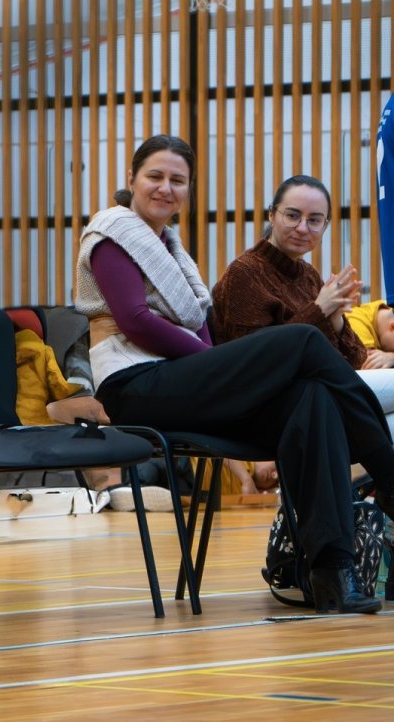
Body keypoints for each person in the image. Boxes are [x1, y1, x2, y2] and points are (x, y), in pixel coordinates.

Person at [74, 134, 394, 614]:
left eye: (177, 180)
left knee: (314, 399)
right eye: (155, 176)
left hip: (184, 385)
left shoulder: (174, 252)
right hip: (136, 386)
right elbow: (136, 320)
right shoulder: (112, 234)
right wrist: (208, 359)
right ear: (131, 180)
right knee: (304, 341)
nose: (166, 188)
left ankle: (331, 572)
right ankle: (389, 475)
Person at [211, 174, 394, 434]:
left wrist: (337, 322)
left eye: (314, 220)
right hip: (269, 404)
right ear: (272, 215)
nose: (303, 227)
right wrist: (319, 310)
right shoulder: (244, 273)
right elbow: (255, 361)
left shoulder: (308, 276)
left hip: (320, 392)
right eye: (293, 215)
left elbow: (355, 362)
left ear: (325, 226)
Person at [346, 299, 394, 367]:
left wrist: (392, 357)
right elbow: (369, 365)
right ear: (392, 326)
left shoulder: (387, 308)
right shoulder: (356, 323)